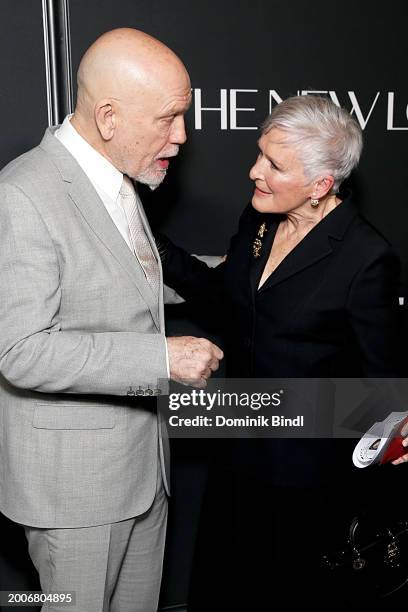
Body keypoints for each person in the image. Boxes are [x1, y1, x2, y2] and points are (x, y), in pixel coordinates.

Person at [0, 28, 223, 612]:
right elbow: (20, 350)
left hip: (144, 474)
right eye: (169, 118)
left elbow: (119, 284)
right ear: (108, 116)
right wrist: (162, 359)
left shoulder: (118, 179)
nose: (181, 136)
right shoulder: (23, 194)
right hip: (75, 495)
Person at [158, 95, 402, 607]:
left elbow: (382, 395)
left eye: (274, 164)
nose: (254, 172)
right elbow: (223, 296)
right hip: (238, 454)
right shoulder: (261, 220)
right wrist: (147, 245)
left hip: (308, 485)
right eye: (259, 154)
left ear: (320, 186)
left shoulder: (366, 258)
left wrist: (363, 497)